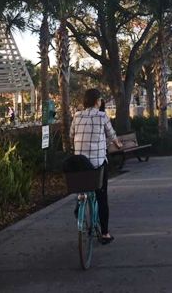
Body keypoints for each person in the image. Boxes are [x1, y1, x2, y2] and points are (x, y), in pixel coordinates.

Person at [69, 88, 122, 244]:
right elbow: (112, 136)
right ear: (96, 101)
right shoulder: (101, 116)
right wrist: (118, 145)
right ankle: (105, 234)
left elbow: (71, 135)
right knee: (102, 197)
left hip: (80, 163)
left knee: (82, 186)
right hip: (97, 165)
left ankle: (80, 202)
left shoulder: (77, 116)